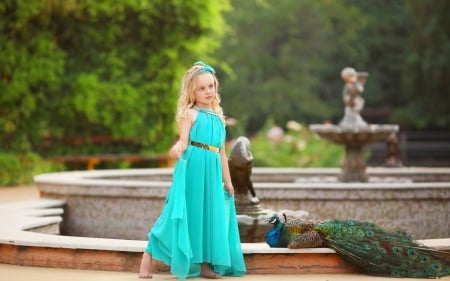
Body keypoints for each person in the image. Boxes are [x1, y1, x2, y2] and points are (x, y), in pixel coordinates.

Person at [138, 61, 247, 280]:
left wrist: (228, 181)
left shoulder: (219, 119)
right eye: (201, 88)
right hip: (193, 169)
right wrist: (178, 146)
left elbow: (222, 154)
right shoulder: (190, 114)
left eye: (211, 86)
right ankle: (147, 256)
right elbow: (184, 141)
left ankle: (204, 266)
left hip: (213, 172)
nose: (208, 91)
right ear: (192, 91)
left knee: (208, 217)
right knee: (181, 213)